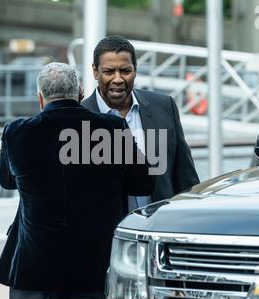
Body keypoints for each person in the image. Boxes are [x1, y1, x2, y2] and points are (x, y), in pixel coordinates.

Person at [0, 62, 153, 299]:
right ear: (79, 93)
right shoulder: (112, 128)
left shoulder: (17, 133)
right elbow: (143, 184)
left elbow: (6, 181)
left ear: (40, 98)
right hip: (96, 267)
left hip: (34, 269)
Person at [82, 35, 200, 212]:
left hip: (160, 229)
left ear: (135, 70)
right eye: (109, 72)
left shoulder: (164, 107)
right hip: (107, 236)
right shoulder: (78, 118)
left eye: (125, 71)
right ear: (95, 71)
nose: (118, 79)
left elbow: (186, 179)